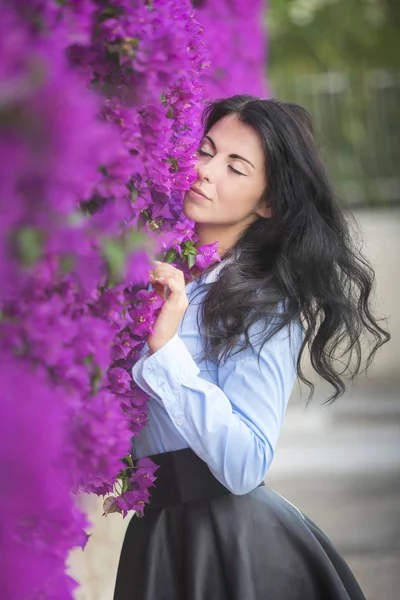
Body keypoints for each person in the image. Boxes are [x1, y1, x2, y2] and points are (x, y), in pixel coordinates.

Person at [113, 95, 389, 600]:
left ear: (268, 202)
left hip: (232, 545)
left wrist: (168, 349)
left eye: (235, 167)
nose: (206, 171)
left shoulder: (265, 307)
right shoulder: (152, 273)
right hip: (156, 535)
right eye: (205, 150)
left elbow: (246, 465)